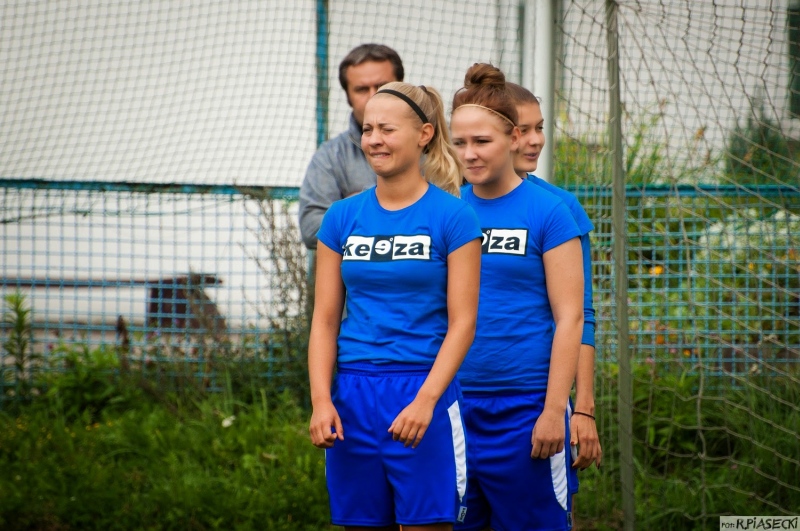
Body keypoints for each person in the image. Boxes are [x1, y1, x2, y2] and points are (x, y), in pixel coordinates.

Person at [308, 81, 482, 530]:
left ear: (424, 134)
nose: (374, 140)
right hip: (352, 397)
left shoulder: (454, 216)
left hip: (422, 391)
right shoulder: (341, 217)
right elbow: (324, 322)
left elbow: (464, 323)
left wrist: (426, 401)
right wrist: (321, 401)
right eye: (368, 130)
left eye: (387, 129)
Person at [450, 63, 584, 531]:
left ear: (512, 138)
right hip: (456, 406)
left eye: (481, 141)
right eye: (459, 142)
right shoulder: (447, 209)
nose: (469, 153)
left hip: (526, 407)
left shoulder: (550, 211)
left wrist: (554, 410)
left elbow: (572, 318)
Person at [506, 81, 603, 515]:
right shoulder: (450, 203)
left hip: (531, 399)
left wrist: (583, 410)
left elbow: (581, 314)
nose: (535, 140)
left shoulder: (557, 208)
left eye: (539, 128)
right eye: (522, 130)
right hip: (461, 398)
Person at [299, 43, 405, 250]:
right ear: (348, 97)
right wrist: (371, 204)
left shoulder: (438, 145)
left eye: (382, 86)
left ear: (402, 88)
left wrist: (349, 208)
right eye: (361, 89)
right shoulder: (330, 157)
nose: (373, 96)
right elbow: (311, 229)